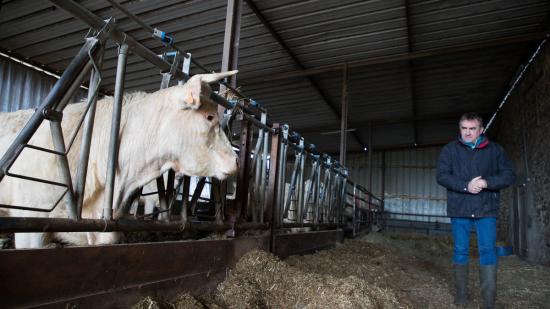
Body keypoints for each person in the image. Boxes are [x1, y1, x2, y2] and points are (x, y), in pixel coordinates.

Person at [436, 112, 516, 308]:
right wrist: (466, 186)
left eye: (472, 129)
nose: (468, 133)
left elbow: (509, 175)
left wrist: (487, 182)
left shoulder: (495, 150)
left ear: (481, 130)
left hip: (486, 208)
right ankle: (461, 297)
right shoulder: (450, 150)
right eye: (464, 128)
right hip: (460, 208)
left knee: (488, 251)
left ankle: (488, 302)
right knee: (460, 250)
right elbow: (442, 176)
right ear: (460, 129)